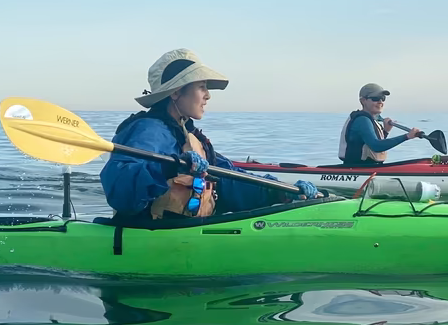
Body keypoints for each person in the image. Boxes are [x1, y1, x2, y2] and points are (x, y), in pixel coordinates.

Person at [100, 48, 319, 221]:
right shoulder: (149, 130)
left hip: (185, 233)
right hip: (150, 237)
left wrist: (281, 191)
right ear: (176, 92)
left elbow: (228, 177)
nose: (207, 96)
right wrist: (169, 166)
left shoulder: (190, 136)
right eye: (202, 87)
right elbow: (121, 192)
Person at [337, 83, 422, 166]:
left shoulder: (370, 120)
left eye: (382, 98)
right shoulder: (362, 120)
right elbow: (376, 146)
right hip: (358, 169)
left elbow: (369, 144)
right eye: (375, 98)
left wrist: (385, 131)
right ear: (363, 101)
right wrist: (407, 136)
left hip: (368, 167)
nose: (380, 102)